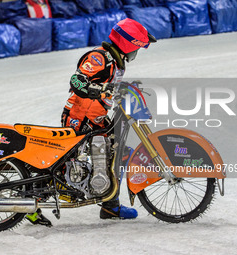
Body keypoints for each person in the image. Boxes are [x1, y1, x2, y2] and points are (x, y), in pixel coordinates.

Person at [26, 18, 156, 226]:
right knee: (62, 165)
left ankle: (110, 206)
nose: (135, 55)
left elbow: (109, 88)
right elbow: (77, 81)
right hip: (78, 117)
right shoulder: (99, 58)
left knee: (120, 153)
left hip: (96, 118)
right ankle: (30, 203)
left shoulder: (115, 61)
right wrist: (99, 90)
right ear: (128, 44)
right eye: (136, 49)